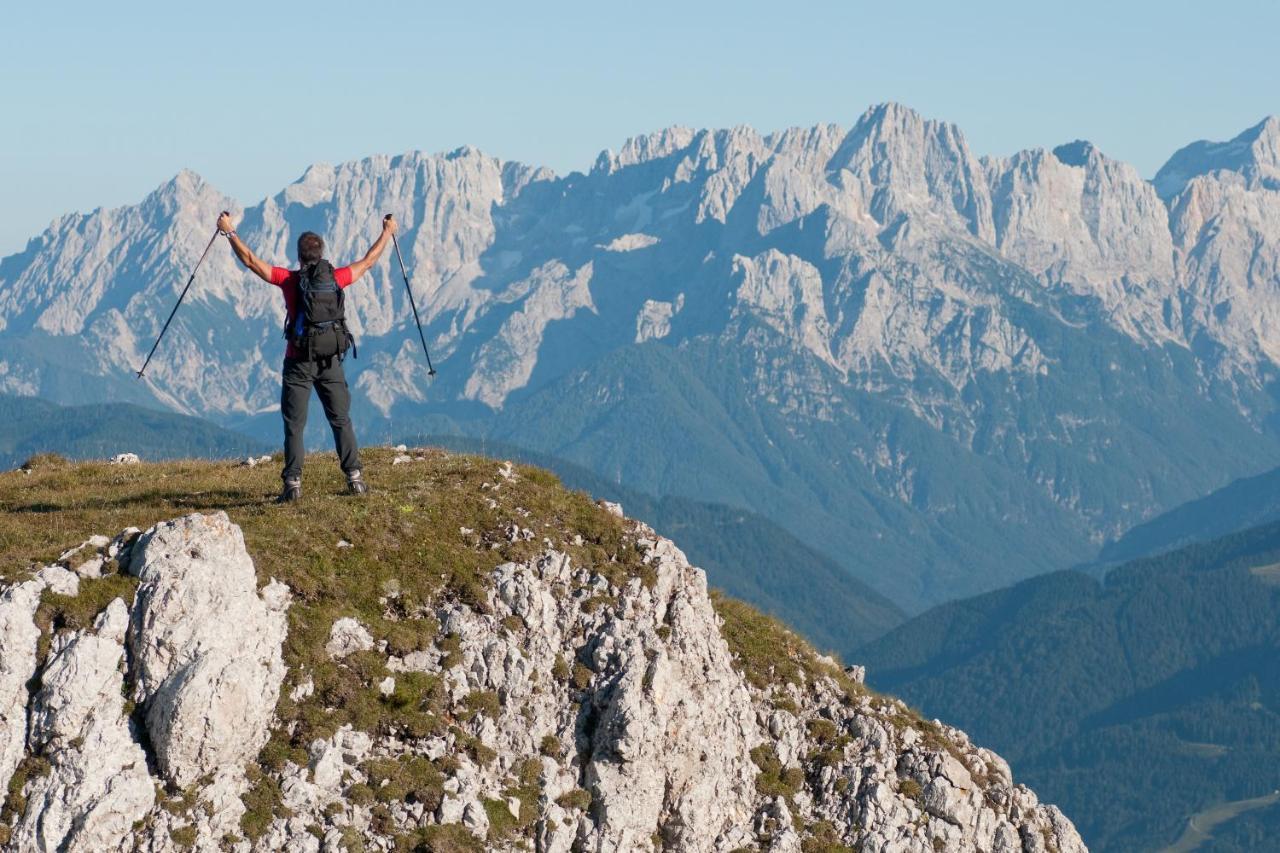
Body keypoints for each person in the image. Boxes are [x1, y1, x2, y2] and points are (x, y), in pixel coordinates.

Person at [216, 211, 397, 502]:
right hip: (330, 362)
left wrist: (229, 232)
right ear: (321, 253)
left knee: (294, 424)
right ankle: (355, 478)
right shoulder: (336, 279)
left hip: (298, 361)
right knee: (340, 419)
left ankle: (293, 484)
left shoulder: (289, 280)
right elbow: (368, 261)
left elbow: (250, 260)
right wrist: (387, 232)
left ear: (300, 257)